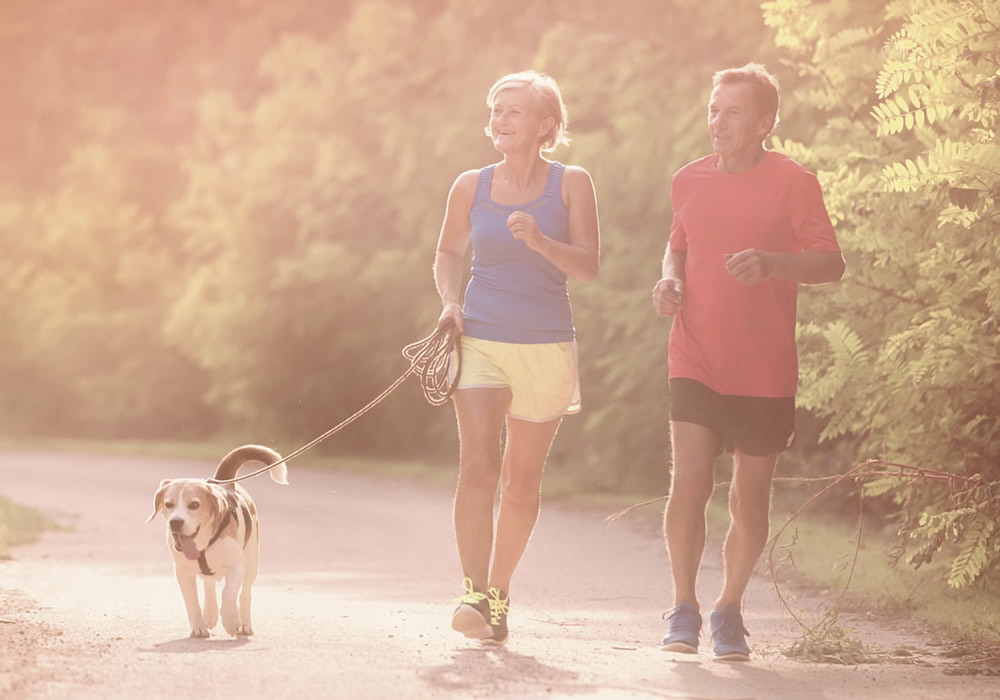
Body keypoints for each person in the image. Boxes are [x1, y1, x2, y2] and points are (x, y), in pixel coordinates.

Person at [651, 63, 845, 661]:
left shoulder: (794, 181)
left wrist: (773, 262)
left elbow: (831, 263)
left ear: (765, 122)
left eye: (733, 112)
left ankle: (728, 608)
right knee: (689, 484)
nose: (719, 121)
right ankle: (683, 606)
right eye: (714, 110)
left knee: (748, 499)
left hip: (764, 366)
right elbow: (677, 245)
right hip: (694, 353)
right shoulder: (687, 179)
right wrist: (669, 279)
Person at [433, 70, 600, 646]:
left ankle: (498, 595)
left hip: (546, 345)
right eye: (496, 110)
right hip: (479, 337)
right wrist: (450, 303)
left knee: (522, 482)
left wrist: (541, 242)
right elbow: (448, 252)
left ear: (545, 124)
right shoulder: (469, 186)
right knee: (478, 463)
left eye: (514, 111)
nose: (500, 119)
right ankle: (472, 591)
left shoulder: (572, 183)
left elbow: (589, 266)